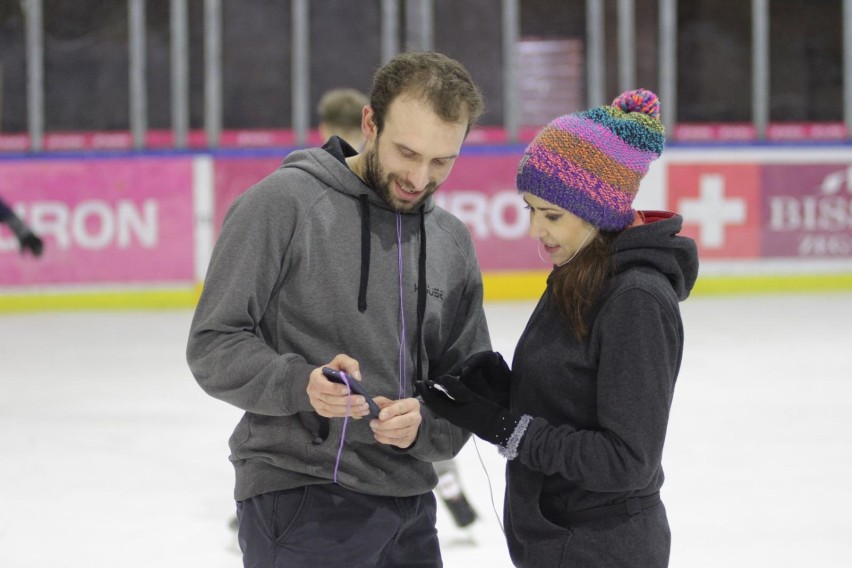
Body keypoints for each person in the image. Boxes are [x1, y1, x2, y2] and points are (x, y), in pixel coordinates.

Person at [187, 51, 490, 567]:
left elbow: (468, 382)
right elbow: (213, 343)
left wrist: (428, 421)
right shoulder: (282, 204)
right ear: (370, 123)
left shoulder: (450, 242)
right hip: (300, 499)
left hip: (412, 511)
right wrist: (299, 383)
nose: (419, 178)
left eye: (442, 161)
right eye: (407, 152)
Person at [418, 89, 699, 567]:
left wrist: (503, 426)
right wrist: (503, 393)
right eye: (530, 209)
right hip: (559, 543)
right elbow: (573, 406)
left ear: (599, 210)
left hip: (604, 549)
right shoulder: (579, 275)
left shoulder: (635, 301)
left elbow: (626, 461)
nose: (535, 231)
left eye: (552, 215)